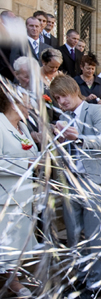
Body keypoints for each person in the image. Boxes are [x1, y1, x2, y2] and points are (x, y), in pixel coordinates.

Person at [50, 74, 101, 299]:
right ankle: (80, 277)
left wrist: (79, 137)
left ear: (73, 89)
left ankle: (95, 284)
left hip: (94, 181)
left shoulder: (95, 111)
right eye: (57, 98)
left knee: (93, 236)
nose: (61, 101)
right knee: (73, 235)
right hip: (71, 181)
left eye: (63, 96)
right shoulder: (63, 116)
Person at [0, 87, 38, 298]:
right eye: (27, 102)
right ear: (13, 103)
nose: (30, 107)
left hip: (24, 196)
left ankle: (11, 277)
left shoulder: (22, 126)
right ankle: (12, 281)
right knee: (5, 243)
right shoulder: (0, 124)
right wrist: (27, 163)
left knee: (17, 243)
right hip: (5, 196)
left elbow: (30, 153)